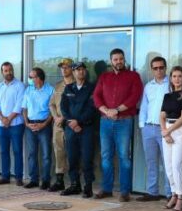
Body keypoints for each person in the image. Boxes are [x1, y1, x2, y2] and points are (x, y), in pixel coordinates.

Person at [93, 48, 143, 202]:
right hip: (105, 122)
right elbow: (96, 95)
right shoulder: (104, 77)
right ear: (111, 61)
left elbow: (135, 96)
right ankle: (107, 189)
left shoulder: (133, 76)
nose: (118, 62)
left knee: (123, 156)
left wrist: (116, 110)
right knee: (106, 156)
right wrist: (105, 110)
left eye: (121, 59)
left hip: (124, 121)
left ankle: (124, 191)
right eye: (115, 59)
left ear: (124, 59)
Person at [60, 62, 97, 198]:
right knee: (72, 157)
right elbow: (63, 107)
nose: (80, 72)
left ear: (85, 72)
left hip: (86, 128)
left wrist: (78, 122)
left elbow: (92, 108)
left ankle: (88, 186)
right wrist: (71, 122)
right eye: (77, 70)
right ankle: (75, 184)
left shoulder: (92, 88)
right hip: (71, 128)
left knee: (87, 158)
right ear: (73, 73)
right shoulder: (69, 88)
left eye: (82, 69)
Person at [137, 56, 171, 202]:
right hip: (149, 128)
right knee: (151, 161)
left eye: (161, 67)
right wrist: (142, 125)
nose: (159, 70)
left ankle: (171, 194)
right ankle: (153, 192)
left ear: (165, 68)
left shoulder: (171, 84)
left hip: (165, 129)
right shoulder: (148, 86)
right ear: (151, 70)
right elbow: (144, 106)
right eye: (155, 68)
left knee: (168, 162)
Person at [160, 66, 182, 211]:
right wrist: (164, 132)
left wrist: (169, 131)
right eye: (174, 76)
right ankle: (173, 193)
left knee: (177, 165)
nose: (177, 79)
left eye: (179, 76)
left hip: (180, 130)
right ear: (171, 78)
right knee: (168, 166)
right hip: (167, 129)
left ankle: (180, 198)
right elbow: (162, 115)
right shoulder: (167, 96)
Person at [0, 62, 26, 186]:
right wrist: (2, 118)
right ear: (2, 72)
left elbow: (19, 105)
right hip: (1, 126)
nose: (9, 72)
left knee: (17, 151)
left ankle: (18, 177)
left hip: (16, 124)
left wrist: (9, 119)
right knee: (4, 151)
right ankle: (5, 176)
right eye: (6, 70)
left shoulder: (20, 86)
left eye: (10, 70)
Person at [22, 67, 54, 189]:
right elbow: (24, 108)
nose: (29, 79)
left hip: (44, 126)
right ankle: (33, 179)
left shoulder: (50, 90)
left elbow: (53, 110)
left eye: (31, 77)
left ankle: (46, 180)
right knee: (32, 154)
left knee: (46, 155)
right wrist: (26, 123)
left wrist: (44, 124)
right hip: (30, 125)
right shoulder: (28, 90)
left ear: (39, 78)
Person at [48, 58, 74, 192]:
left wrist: (64, 117)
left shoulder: (77, 84)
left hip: (71, 123)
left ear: (72, 68)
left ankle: (74, 182)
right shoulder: (58, 86)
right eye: (62, 67)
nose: (64, 69)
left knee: (73, 153)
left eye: (67, 67)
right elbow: (51, 104)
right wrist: (55, 117)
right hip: (58, 124)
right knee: (58, 151)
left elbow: (76, 106)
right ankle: (59, 181)